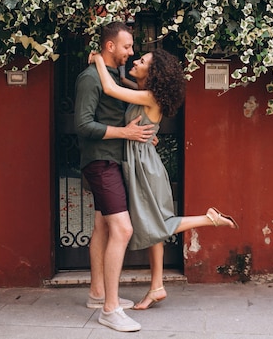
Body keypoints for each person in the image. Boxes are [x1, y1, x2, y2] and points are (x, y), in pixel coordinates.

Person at [89, 48, 238, 310]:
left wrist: (99, 59)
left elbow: (111, 89)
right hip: (142, 163)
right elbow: (123, 85)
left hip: (145, 168)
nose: (135, 60)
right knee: (151, 225)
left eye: (142, 61)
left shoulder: (149, 96)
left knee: (154, 225)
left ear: (153, 73)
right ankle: (156, 287)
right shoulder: (144, 92)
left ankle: (209, 219)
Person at [74, 21, 154, 332]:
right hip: (100, 162)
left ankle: (97, 294)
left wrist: (141, 132)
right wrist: (126, 132)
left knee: (102, 227)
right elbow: (83, 125)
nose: (131, 52)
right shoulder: (90, 78)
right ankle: (110, 309)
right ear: (110, 46)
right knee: (122, 228)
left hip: (109, 160)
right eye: (126, 47)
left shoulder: (109, 76)